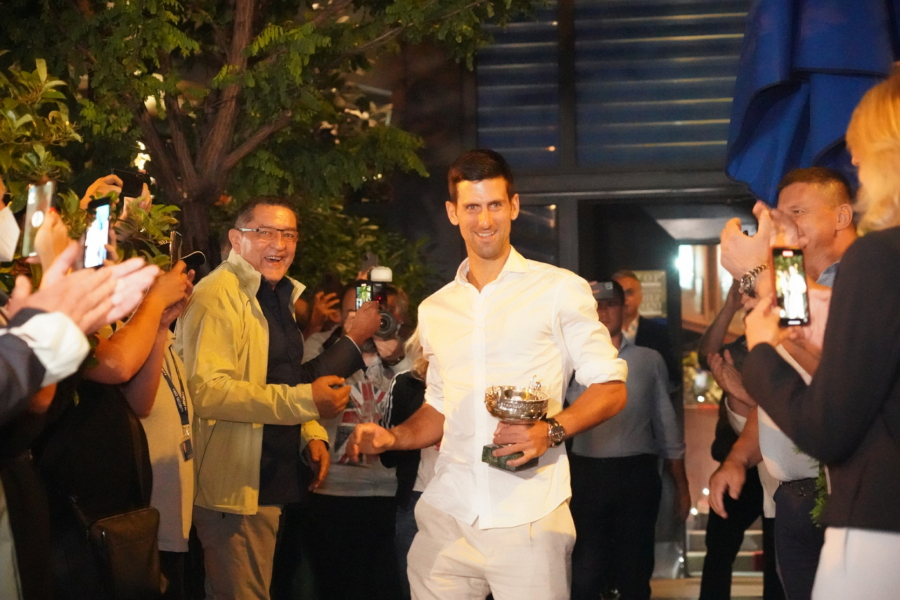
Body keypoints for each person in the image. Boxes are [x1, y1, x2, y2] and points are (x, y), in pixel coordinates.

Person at [348, 149, 628, 600]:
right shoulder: (437, 308)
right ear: (453, 212)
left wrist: (551, 430)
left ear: (514, 206)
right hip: (447, 512)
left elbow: (611, 388)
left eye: (495, 205)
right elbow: (441, 406)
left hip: (529, 514)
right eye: (472, 207)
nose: (484, 220)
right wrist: (393, 438)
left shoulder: (559, 290)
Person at [740, 71, 900, 600]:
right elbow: (803, 329)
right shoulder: (862, 265)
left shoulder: (875, 261)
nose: (854, 160)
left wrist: (758, 343)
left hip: (878, 510)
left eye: (861, 148)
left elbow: (828, 412)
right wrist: (782, 257)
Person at [176, 197, 380, 600]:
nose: (280, 244)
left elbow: (277, 378)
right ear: (237, 239)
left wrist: (309, 433)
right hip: (234, 486)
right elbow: (209, 391)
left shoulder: (272, 293)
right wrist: (307, 404)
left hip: (270, 479)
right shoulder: (217, 295)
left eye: (289, 234)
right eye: (265, 232)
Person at [712, 167, 856, 600]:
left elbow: (819, 350)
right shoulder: (794, 285)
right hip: (791, 496)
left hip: (849, 492)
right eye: (780, 216)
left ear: (842, 216)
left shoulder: (861, 278)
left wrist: (760, 271)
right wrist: (738, 458)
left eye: (797, 212)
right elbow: (785, 389)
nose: (785, 224)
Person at [568, 280, 688, 600]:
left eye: (610, 304)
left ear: (624, 310)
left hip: (636, 473)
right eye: (596, 305)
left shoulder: (648, 360)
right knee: (585, 571)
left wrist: (681, 485)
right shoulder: (569, 361)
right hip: (586, 473)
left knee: (635, 568)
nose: (602, 312)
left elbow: (666, 424)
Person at [301, 282, 410, 600]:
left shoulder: (409, 352)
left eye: (377, 313)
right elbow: (299, 398)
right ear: (340, 316)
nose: (366, 320)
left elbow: (424, 405)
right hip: (333, 491)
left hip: (391, 492)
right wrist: (347, 345)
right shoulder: (320, 347)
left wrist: (397, 358)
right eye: (355, 312)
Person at [697, 282, 784, 600]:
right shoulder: (737, 349)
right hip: (737, 460)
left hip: (779, 466)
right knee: (719, 547)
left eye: (753, 298)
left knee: (778, 552)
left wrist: (746, 395)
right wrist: (729, 305)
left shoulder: (787, 348)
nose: (748, 303)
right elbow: (706, 356)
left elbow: (779, 410)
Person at [612, 270, 679, 391]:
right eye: (619, 293)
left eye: (629, 293)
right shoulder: (600, 333)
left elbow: (671, 377)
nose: (624, 299)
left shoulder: (658, 332)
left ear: (640, 297)